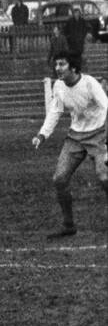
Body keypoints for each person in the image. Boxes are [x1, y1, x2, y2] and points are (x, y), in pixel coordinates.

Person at [32, 52, 108, 238]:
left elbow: (107, 106)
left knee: (104, 177)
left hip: (98, 134)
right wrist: (42, 134)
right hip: (75, 137)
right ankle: (68, 225)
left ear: (73, 67)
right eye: (56, 64)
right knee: (59, 179)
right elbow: (55, 111)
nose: (58, 68)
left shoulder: (90, 83)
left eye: (62, 64)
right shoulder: (58, 86)